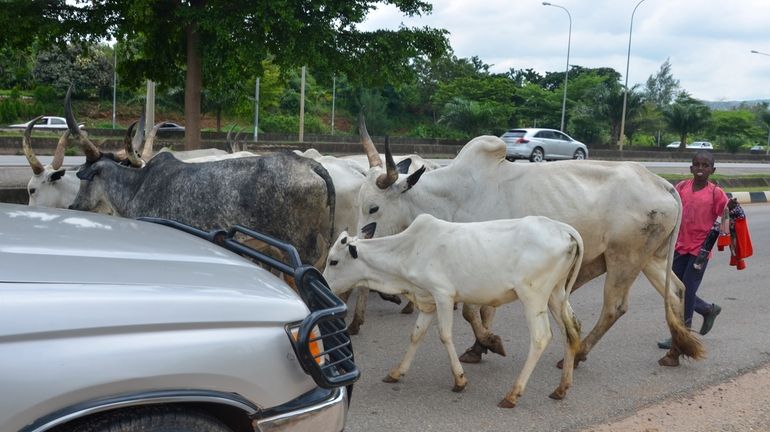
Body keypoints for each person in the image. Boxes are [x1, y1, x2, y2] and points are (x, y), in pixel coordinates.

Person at [658, 150, 737, 349]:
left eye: (705, 165)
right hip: (679, 246)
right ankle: (707, 309)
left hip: (700, 251)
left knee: (687, 291)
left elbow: (726, 216)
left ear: (713, 170)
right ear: (691, 167)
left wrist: (732, 208)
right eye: (697, 165)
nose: (700, 168)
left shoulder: (715, 193)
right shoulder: (682, 187)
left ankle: (682, 336)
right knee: (675, 290)